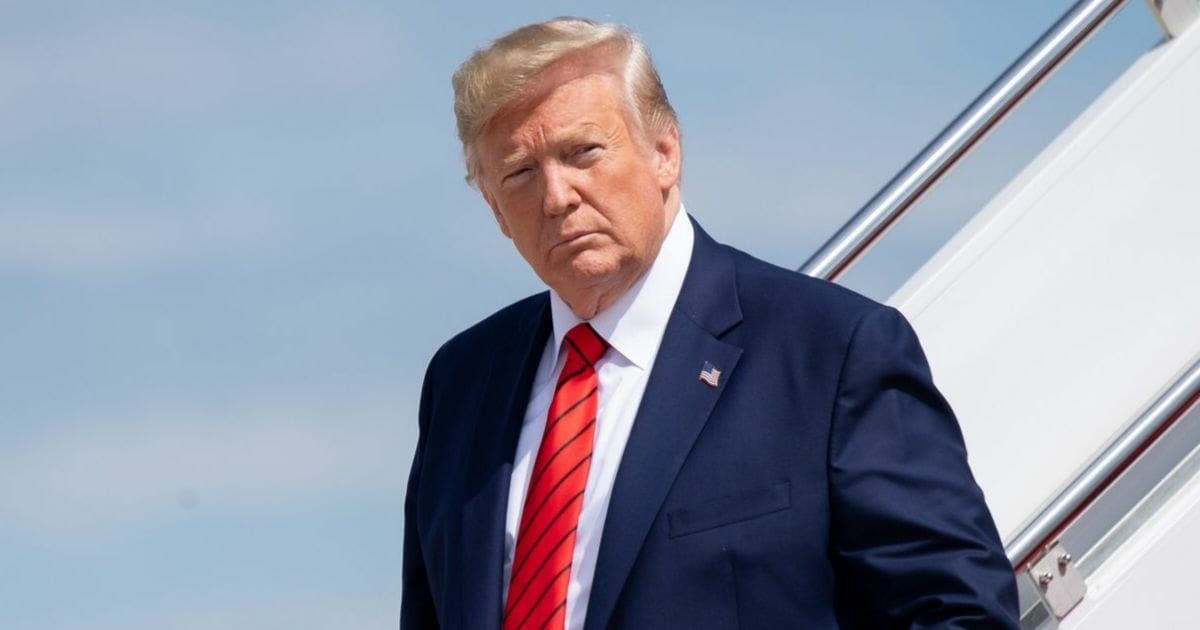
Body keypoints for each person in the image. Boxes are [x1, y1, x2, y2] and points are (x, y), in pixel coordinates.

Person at [403, 16, 1018, 630]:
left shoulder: (829, 353)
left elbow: (956, 612)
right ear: (495, 210)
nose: (557, 196)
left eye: (582, 152)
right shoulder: (462, 384)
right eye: (520, 173)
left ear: (664, 152)